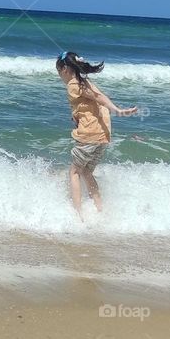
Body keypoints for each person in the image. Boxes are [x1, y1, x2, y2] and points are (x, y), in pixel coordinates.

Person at [56, 50, 138, 218]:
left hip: (89, 135)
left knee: (74, 172)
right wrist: (77, 114)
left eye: (59, 73)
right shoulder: (84, 81)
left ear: (64, 69)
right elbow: (95, 99)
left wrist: (117, 110)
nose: (60, 77)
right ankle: (100, 209)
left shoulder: (73, 84)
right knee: (86, 171)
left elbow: (98, 97)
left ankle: (78, 215)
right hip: (102, 136)